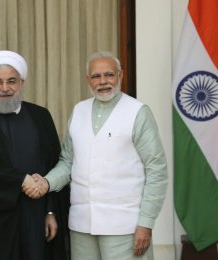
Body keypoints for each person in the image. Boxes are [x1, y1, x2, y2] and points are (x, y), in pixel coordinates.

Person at [24, 51, 168, 260]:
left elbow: (157, 170)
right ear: (88, 80)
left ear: (120, 75)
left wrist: (146, 222)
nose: (103, 82)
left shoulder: (138, 112)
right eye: (96, 76)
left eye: (109, 75)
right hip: (82, 226)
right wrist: (46, 182)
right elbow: (67, 163)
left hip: (124, 226)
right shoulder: (79, 111)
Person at [0, 50, 70, 260]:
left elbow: (53, 163)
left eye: (11, 81)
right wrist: (21, 180)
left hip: (37, 211)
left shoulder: (41, 116)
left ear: (22, 82)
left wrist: (50, 211)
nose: (5, 88)